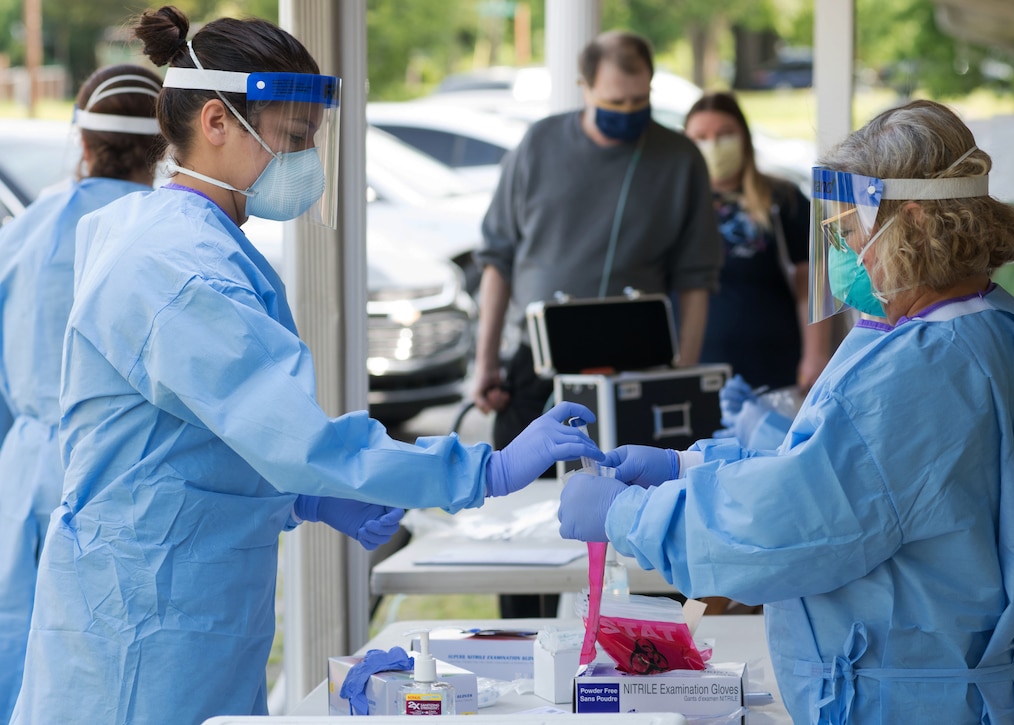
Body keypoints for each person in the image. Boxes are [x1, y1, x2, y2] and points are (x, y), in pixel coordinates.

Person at [11, 8, 601, 725]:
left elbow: (194, 441)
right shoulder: (181, 270)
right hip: (145, 619)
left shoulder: (189, 241)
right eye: (291, 140)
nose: (306, 165)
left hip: (183, 594)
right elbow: (301, 440)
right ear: (216, 122)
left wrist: (304, 499)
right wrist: (486, 471)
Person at [558, 99, 1014, 723]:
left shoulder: (922, 365)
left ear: (916, 222)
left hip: (905, 697)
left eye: (851, 231)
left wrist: (630, 513)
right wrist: (686, 466)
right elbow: (840, 471)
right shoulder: (981, 322)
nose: (845, 252)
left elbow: (791, 526)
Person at [472, 31, 720, 617]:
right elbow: (497, 260)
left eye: (640, 102)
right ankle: (526, 644)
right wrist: (484, 360)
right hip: (538, 369)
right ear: (584, 87)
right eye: (615, 102)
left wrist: (680, 371)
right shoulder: (538, 146)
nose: (628, 114)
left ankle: (650, 653)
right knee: (524, 522)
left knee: (646, 531)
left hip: (638, 375)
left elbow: (697, 278)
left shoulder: (679, 159)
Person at [0, 63, 164, 723]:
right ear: (165, 147)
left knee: (16, 654)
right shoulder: (164, 233)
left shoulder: (24, 232)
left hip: (22, 476)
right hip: (120, 483)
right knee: (109, 673)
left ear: (82, 141)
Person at [684, 91, 830, 393]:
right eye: (701, 136)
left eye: (725, 135)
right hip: (695, 367)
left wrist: (816, 355)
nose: (713, 145)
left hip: (773, 365)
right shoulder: (674, 205)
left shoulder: (783, 199)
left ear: (745, 138)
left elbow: (814, 281)